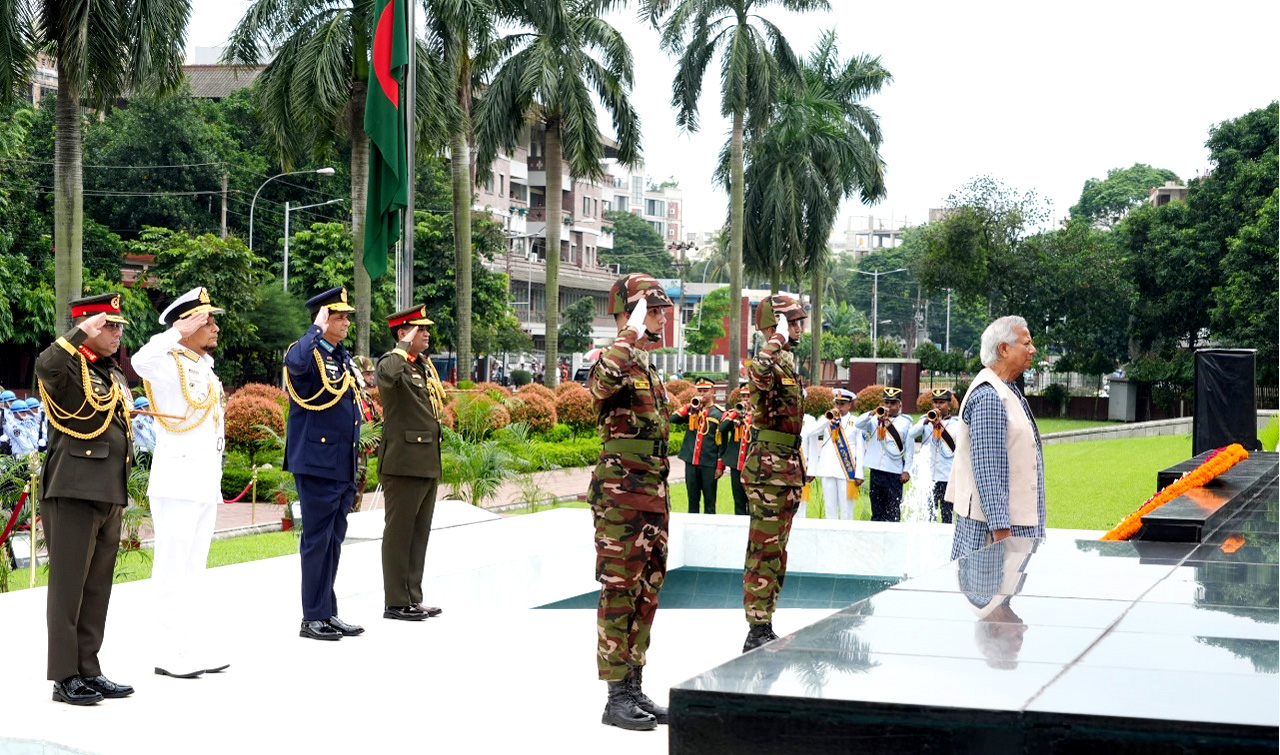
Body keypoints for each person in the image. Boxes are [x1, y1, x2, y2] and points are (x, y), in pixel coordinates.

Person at [34, 293, 135, 705]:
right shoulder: (67, 366)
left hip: (108, 490)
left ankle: (89, 669)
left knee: (96, 588)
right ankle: (64, 676)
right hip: (73, 489)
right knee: (68, 588)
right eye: (108, 325)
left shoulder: (112, 374)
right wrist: (77, 334)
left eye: (118, 326)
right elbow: (46, 366)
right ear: (88, 327)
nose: (116, 333)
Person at [587, 273, 674, 731]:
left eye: (659, 311)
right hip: (621, 496)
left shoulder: (645, 366)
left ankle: (634, 686)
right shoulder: (614, 359)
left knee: (647, 590)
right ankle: (615, 695)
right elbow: (599, 386)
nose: (660, 317)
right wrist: (629, 331)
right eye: (652, 310)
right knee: (619, 591)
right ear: (629, 312)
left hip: (653, 492)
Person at [131, 287, 229, 679]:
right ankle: (167, 652)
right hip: (177, 479)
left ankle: (189, 646)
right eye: (207, 321)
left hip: (204, 479)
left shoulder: (203, 366)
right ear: (186, 324)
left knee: (194, 569)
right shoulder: (167, 361)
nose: (215, 328)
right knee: (172, 568)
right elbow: (139, 360)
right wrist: (175, 331)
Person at [283, 286, 364, 641]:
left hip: (340, 460)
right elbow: (296, 364)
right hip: (316, 461)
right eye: (340, 316)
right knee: (316, 540)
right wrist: (314, 331)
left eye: (347, 316)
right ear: (322, 318)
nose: (346, 322)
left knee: (333, 540)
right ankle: (311, 617)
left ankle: (327, 612)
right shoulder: (306, 352)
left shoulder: (340, 355)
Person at [947, 316, 1046, 560]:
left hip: (1011, 527)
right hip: (995, 534)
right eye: (1026, 343)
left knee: (1006, 596)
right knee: (993, 595)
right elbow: (989, 472)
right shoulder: (990, 398)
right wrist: (1002, 537)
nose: (1032, 350)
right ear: (1004, 349)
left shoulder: (1006, 389)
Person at [740, 294, 808, 653]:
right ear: (774, 323)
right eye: (791, 321)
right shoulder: (767, 360)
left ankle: (765, 623)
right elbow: (757, 376)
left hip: (786, 466)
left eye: (798, 322)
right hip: (769, 469)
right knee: (764, 550)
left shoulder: (787, 363)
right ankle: (757, 627)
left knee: (777, 551)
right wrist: (775, 339)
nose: (798, 328)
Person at [376, 305, 447, 622]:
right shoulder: (394, 363)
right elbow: (388, 376)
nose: (427, 333)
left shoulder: (421, 366)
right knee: (400, 532)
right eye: (421, 329)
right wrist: (402, 346)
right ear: (404, 333)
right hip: (403, 462)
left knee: (419, 533)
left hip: (426, 461)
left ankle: (412, 597)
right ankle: (395, 601)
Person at [801, 388, 863, 521]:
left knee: (846, 510)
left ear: (849, 405)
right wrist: (827, 418)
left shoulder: (855, 422)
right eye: (837, 403)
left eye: (842, 404)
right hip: (828, 469)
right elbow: (811, 432)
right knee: (830, 509)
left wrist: (859, 473)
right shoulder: (827, 419)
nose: (839, 407)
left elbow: (860, 449)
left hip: (847, 471)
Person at [854, 387, 914, 522]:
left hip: (894, 471)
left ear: (899, 405)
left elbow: (910, 450)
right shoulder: (875, 420)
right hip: (876, 470)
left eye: (892, 403)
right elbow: (858, 424)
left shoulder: (905, 423)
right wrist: (872, 413)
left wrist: (906, 470)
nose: (888, 406)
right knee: (877, 511)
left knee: (893, 511)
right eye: (886, 403)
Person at [671, 378, 725, 514]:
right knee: (692, 501)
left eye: (705, 391)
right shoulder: (692, 411)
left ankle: (709, 533)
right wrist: (689, 406)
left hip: (709, 463)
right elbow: (673, 419)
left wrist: (720, 466)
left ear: (712, 392)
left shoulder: (719, 413)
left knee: (710, 502)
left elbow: (722, 442)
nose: (702, 394)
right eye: (699, 391)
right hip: (691, 461)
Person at [909, 389, 961, 523]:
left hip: (947, 476)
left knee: (947, 515)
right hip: (930, 476)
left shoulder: (956, 424)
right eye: (935, 403)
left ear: (949, 405)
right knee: (929, 514)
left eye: (942, 402)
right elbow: (911, 434)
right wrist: (926, 421)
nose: (938, 406)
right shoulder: (925, 421)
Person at [716, 378, 751, 516]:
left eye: (748, 396)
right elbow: (723, 428)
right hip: (736, 464)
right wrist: (736, 414)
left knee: (753, 502)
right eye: (743, 396)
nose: (745, 399)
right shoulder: (733, 414)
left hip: (753, 465)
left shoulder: (759, 416)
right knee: (739, 502)